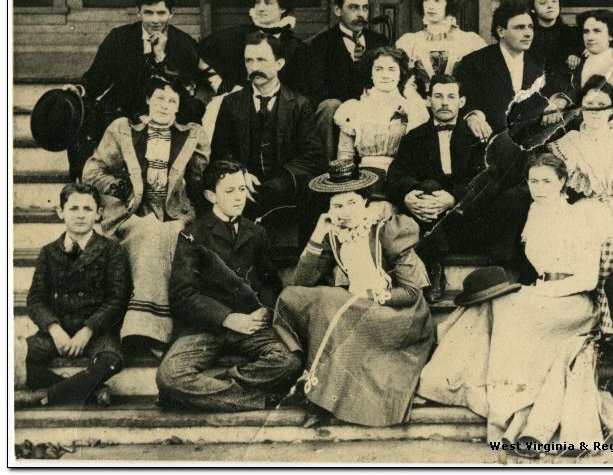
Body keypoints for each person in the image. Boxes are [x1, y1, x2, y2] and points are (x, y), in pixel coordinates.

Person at [417, 153, 613, 452]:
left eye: (547, 181)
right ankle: (441, 382)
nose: (539, 188)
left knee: (509, 311)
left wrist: (541, 293)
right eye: (534, 181)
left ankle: (505, 408)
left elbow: (588, 280)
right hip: (541, 297)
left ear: (563, 182)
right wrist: (531, 291)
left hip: (573, 303)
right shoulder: (534, 214)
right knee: (485, 306)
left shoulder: (582, 216)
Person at [272, 160, 435, 427]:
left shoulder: (388, 231)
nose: (345, 212)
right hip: (357, 309)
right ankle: (311, 379)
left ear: (364, 204)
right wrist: (318, 234)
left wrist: (373, 296)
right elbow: (300, 284)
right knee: (293, 298)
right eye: (337, 206)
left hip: (398, 315)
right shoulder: (334, 236)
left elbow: (409, 292)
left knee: (333, 303)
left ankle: (318, 399)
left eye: (351, 203)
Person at [156, 160, 303, 412]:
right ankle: (256, 400)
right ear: (210, 196)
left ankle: (201, 391)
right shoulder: (193, 234)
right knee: (169, 376)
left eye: (242, 190)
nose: (239, 198)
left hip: (250, 326)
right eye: (230, 191)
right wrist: (226, 318)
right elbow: (183, 294)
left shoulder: (256, 232)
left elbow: (270, 283)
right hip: (204, 327)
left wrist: (265, 309)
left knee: (289, 362)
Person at [82, 75, 210, 352]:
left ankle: (152, 330)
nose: (165, 105)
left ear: (178, 107)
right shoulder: (124, 131)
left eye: (172, 101)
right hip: (130, 215)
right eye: (160, 98)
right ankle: (147, 332)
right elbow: (91, 172)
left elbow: (201, 179)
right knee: (151, 230)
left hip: (176, 216)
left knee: (168, 232)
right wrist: (118, 186)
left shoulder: (191, 135)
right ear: (149, 100)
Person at [63, 0, 208, 179]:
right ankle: (82, 186)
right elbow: (97, 77)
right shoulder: (119, 38)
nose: (155, 20)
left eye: (161, 13)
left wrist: (160, 58)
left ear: (171, 13)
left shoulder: (184, 44)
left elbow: (185, 88)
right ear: (138, 12)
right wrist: (80, 89)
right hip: (122, 107)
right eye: (148, 13)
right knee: (80, 121)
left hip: (165, 110)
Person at [547, 76, 613, 341]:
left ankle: (611, 329)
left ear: (612, 110)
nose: (595, 111)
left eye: (602, 105)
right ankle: (578, 323)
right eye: (589, 104)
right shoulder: (567, 143)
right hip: (579, 210)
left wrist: (604, 208)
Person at [18, 184, 132, 409]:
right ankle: (89, 391)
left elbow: (117, 299)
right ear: (61, 212)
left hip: (96, 331)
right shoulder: (48, 252)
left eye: (88, 209)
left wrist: (87, 331)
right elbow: (35, 300)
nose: (81, 214)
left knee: (111, 360)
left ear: (99, 213)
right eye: (74, 208)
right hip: (57, 331)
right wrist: (54, 329)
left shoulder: (111, 250)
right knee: (11, 356)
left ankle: (48, 395)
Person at [385, 74, 487, 301]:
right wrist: (409, 194)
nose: (444, 102)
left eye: (451, 96)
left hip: (465, 217)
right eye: (438, 96)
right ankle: (434, 269)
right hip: (429, 219)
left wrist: (453, 198)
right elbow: (396, 175)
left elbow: (485, 179)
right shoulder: (415, 137)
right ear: (428, 101)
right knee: (427, 187)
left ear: (461, 102)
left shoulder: (476, 136)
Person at [210, 31, 323, 230]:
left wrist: (281, 180)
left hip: (286, 190)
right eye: (249, 61)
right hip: (242, 189)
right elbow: (220, 151)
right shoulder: (231, 103)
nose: (254, 67)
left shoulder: (299, 104)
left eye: (261, 60)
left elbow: (312, 155)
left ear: (279, 64)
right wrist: (239, 172)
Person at [454, 1, 568, 142]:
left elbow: (558, 89)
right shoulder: (475, 62)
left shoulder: (540, 60)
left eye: (530, 27)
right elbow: (461, 100)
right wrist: (472, 116)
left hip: (533, 142)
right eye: (519, 28)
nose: (528, 34)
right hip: (490, 141)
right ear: (501, 31)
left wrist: (557, 103)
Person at [199, 0, 324, 103]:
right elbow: (198, 52)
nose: (260, 8)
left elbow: (307, 91)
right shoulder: (237, 35)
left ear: (283, 8)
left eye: (268, 2)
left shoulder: (298, 48)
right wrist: (219, 85)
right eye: (257, 2)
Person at [310, 0, 390, 160]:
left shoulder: (379, 42)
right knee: (329, 106)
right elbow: (317, 90)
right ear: (338, 10)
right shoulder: (321, 44)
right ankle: (330, 173)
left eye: (365, 8)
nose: (361, 14)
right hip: (338, 111)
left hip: (373, 107)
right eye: (353, 7)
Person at [333, 46, 429, 190]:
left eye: (391, 69)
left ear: (400, 74)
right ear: (371, 73)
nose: (385, 75)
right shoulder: (353, 108)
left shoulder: (412, 108)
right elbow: (345, 155)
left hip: (400, 179)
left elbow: (420, 155)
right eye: (379, 69)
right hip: (364, 179)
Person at [396, 0, 486, 97]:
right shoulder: (410, 42)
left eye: (437, 0)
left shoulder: (468, 41)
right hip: (421, 107)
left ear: (448, 4)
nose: (430, 6)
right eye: (426, 0)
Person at [557, 9, 613, 124]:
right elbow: (572, 94)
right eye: (586, 31)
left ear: (611, 35)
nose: (590, 37)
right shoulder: (579, 63)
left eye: (597, 31)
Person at [529, 0, 583, 80]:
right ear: (533, 8)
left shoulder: (571, 34)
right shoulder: (528, 35)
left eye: (554, 1)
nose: (550, 5)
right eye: (543, 2)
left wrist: (576, 57)